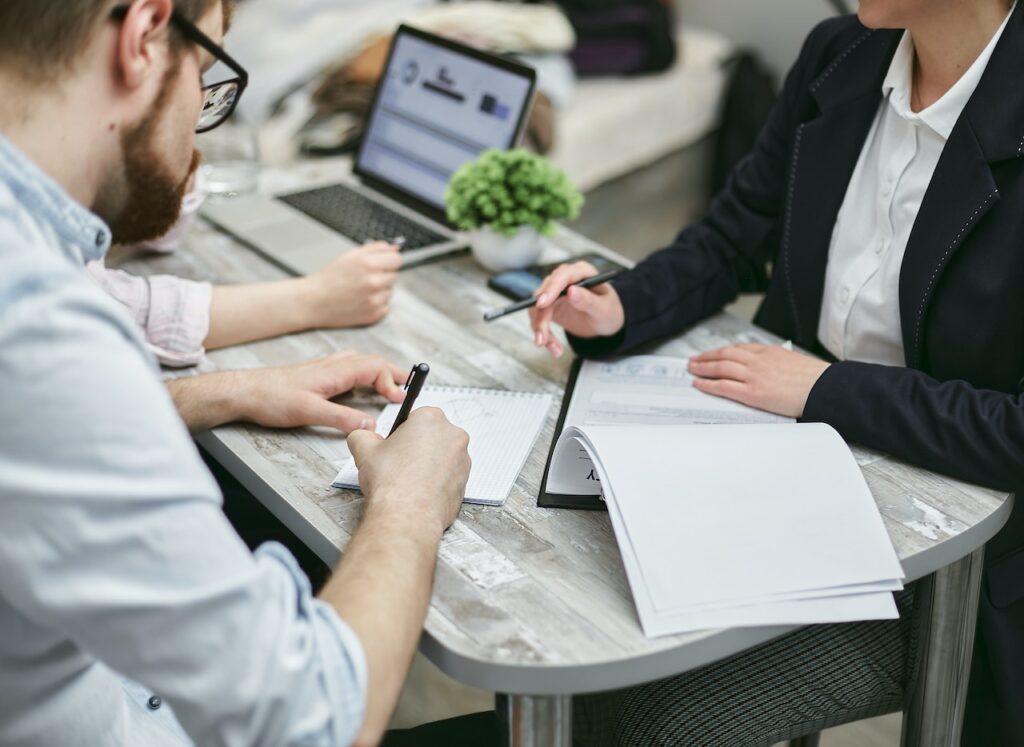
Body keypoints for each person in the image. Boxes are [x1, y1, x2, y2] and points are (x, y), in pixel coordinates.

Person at [529, 0, 1024, 744]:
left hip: (958, 549)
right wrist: (619, 304)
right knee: (563, 610)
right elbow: (733, 237)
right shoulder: (841, 55)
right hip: (785, 473)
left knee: (651, 711)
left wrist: (827, 390)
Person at [0, 2, 474, 747]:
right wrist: (412, 502)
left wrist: (217, 389)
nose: (198, 118)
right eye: (208, 69)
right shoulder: (40, 326)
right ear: (145, 36)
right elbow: (313, 720)